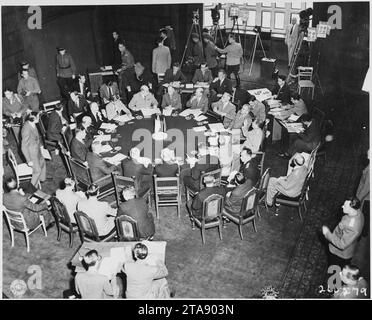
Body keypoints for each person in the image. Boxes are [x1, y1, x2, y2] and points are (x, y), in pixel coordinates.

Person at [322, 197, 365, 268]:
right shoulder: (358, 212)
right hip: (347, 245)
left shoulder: (352, 227)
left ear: (351, 209)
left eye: (345, 206)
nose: (342, 206)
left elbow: (342, 245)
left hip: (340, 254)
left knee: (335, 269)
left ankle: (334, 278)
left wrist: (327, 234)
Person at [21, 112, 46, 187]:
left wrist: (40, 145)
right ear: (33, 118)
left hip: (36, 149)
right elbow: (23, 146)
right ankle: (31, 191)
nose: (39, 118)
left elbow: (36, 137)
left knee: (42, 162)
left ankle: (42, 179)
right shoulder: (26, 129)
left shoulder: (32, 124)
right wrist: (29, 161)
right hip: (32, 153)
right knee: (37, 171)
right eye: (38, 117)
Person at [356, 149, 369, 237]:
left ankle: (361, 234)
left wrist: (357, 201)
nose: (367, 151)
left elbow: (365, 189)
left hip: (366, 199)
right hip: (366, 197)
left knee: (363, 217)